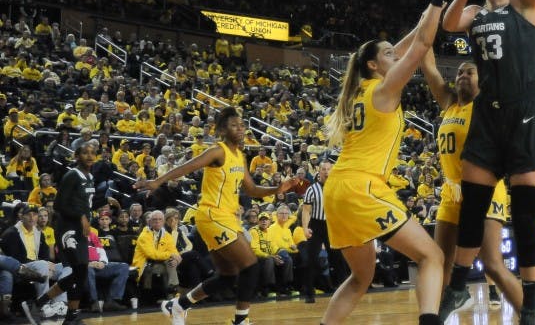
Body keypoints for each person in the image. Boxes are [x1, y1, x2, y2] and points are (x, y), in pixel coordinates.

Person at [438, 0, 535, 325]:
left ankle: (532, 303)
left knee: (524, 216)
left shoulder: (524, 7)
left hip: (524, 114)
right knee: (473, 206)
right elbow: (447, 25)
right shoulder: (478, 14)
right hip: (488, 116)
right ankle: (459, 286)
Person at [320, 0, 448, 325]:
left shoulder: (361, 88)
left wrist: (430, 2)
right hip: (362, 186)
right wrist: (439, 0)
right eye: (390, 54)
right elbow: (422, 44)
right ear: (376, 65)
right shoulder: (385, 88)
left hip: (338, 189)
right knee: (431, 256)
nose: (398, 55)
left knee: (361, 277)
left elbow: (408, 40)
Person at [133, 106, 296, 325]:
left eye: (241, 124)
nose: (239, 128)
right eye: (233, 125)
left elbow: (252, 190)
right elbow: (188, 167)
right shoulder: (218, 151)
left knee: (228, 276)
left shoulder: (240, 156)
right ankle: (241, 320)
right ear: (222, 130)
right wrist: (157, 181)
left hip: (227, 218)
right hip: (212, 215)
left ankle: (178, 305)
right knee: (251, 266)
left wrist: (278, 189)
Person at [420, 48, 524, 315]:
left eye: (470, 72)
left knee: (492, 264)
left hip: (485, 188)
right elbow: (429, 66)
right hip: (451, 191)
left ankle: (529, 313)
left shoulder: (488, 105)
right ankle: (442, 311)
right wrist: (427, 29)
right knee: (439, 260)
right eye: (459, 72)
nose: (463, 75)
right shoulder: (450, 103)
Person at [22, 142, 97, 325]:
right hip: (67, 228)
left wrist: (105, 199)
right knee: (79, 269)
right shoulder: (72, 175)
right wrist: (81, 216)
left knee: (81, 273)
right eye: (85, 152)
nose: (89, 155)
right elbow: (59, 205)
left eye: (92, 153)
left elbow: (84, 202)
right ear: (76, 156)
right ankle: (71, 316)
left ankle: (41, 303)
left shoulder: (90, 177)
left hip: (80, 230)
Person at [300, 160, 345, 302]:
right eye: (323, 169)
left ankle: (343, 291)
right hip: (316, 225)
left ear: (332, 171)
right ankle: (309, 293)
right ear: (319, 171)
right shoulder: (311, 189)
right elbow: (306, 211)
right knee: (311, 259)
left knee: (338, 259)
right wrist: (305, 228)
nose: (326, 171)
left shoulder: (338, 188)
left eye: (328, 169)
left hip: (332, 224)